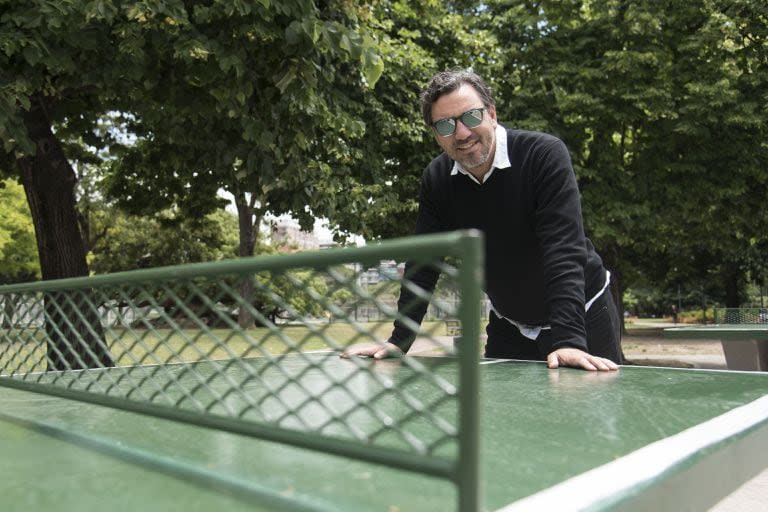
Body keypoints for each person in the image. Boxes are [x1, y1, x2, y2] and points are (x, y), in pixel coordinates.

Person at [342, 70, 621, 371]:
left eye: (471, 117)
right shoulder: (437, 179)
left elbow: (563, 249)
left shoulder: (543, 155)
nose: (462, 133)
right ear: (436, 135)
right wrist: (400, 340)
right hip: (509, 322)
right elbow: (424, 263)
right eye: (446, 125)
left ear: (491, 114)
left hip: (584, 313)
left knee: (594, 411)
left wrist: (569, 340)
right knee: (498, 415)